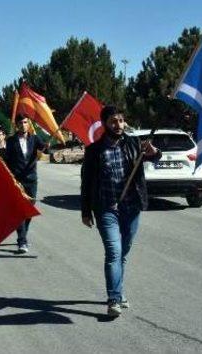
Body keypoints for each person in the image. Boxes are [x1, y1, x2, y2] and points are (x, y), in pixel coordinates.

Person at [81, 105, 160, 317]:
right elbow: (86, 182)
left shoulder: (134, 144)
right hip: (106, 208)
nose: (119, 125)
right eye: (114, 121)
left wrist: (155, 153)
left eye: (121, 121)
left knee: (123, 253)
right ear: (105, 123)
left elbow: (153, 156)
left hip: (131, 208)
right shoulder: (94, 151)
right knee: (114, 252)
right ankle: (114, 299)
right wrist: (85, 211)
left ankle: (119, 290)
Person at [5, 115, 48, 254]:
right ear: (16, 125)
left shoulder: (34, 139)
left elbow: (45, 149)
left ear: (29, 124)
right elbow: (7, 160)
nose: (23, 125)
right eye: (20, 123)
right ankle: (22, 241)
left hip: (31, 180)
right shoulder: (11, 141)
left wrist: (48, 145)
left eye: (25, 122)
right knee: (20, 211)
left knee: (29, 210)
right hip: (17, 181)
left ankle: (23, 233)